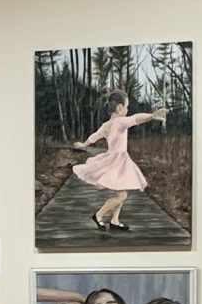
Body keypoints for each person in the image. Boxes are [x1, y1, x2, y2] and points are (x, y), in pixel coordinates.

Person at [71, 92, 168, 233]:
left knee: (122, 190)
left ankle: (115, 221)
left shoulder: (106, 125)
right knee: (122, 195)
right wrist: (151, 116)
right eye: (127, 107)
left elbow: (94, 136)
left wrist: (84, 144)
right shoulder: (120, 122)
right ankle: (98, 215)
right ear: (120, 108)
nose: (128, 110)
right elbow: (135, 119)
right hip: (118, 161)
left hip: (114, 159)